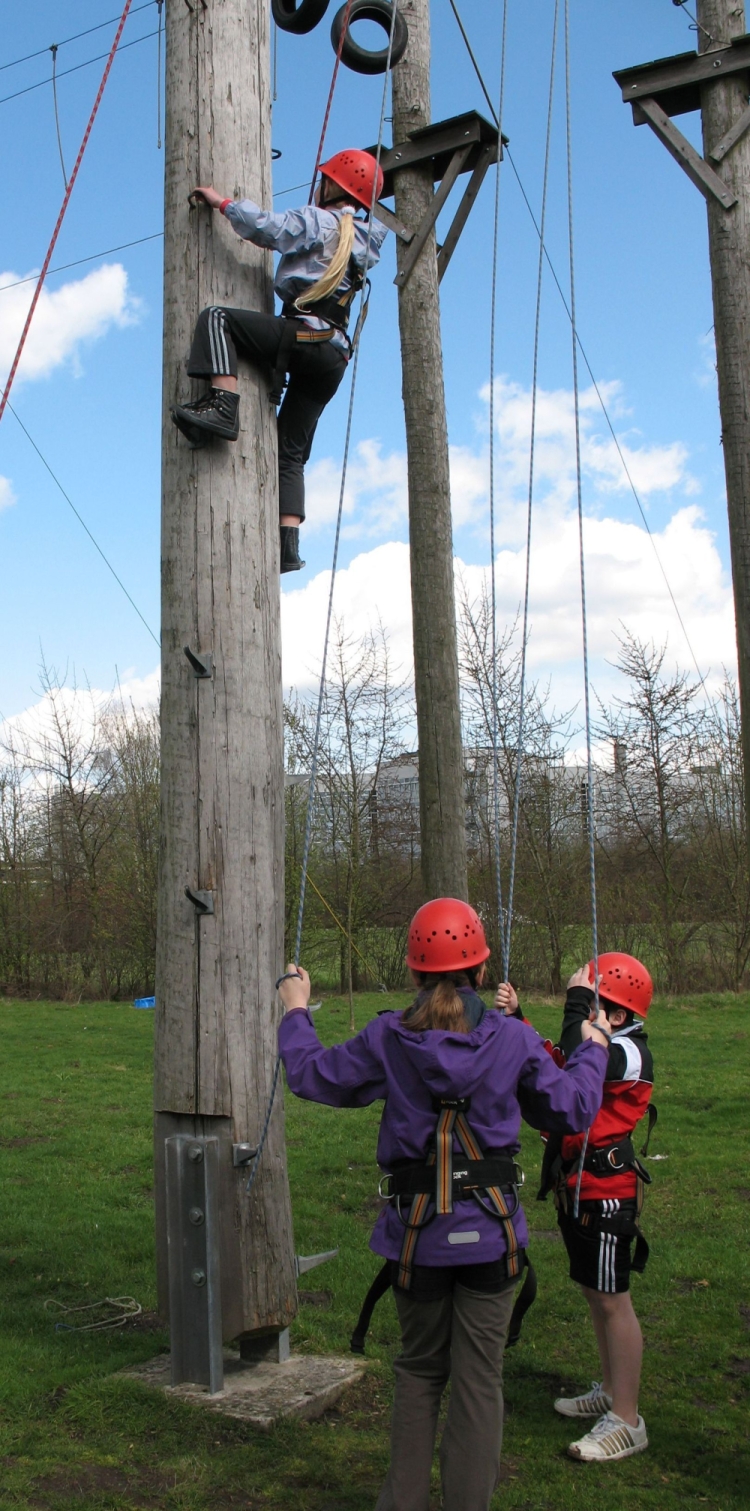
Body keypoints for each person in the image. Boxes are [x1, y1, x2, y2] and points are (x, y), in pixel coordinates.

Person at [276, 898, 612, 1511]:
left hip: (417, 1241)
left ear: (414, 973)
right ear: (481, 972)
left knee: (420, 1372)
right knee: (479, 1383)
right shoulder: (512, 1039)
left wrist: (297, 1010)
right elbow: (571, 1110)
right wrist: (593, 1046)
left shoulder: (389, 1037)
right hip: (491, 1239)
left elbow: (311, 1075)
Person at [171, 149, 388, 574]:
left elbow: (267, 228)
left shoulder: (320, 221)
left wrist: (221, 202)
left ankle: (222, 406)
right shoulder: (364, 238)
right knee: (290, 452)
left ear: (334, 185)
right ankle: (288, 544)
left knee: (217, 319)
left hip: (305, 335)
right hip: (334, 356)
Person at [525, 952, 655, 1463]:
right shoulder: (605, 1040)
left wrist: (576, 1007)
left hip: (606, 1191)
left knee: (612, 1298)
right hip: (578, 1186)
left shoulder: (632, 1052)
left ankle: (627, 1418)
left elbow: (590, 1051)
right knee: (593, 1290)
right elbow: (563, 1062)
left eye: (592, 1006)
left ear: (616, 1016)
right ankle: (609, 1388)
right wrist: (521, 1025)